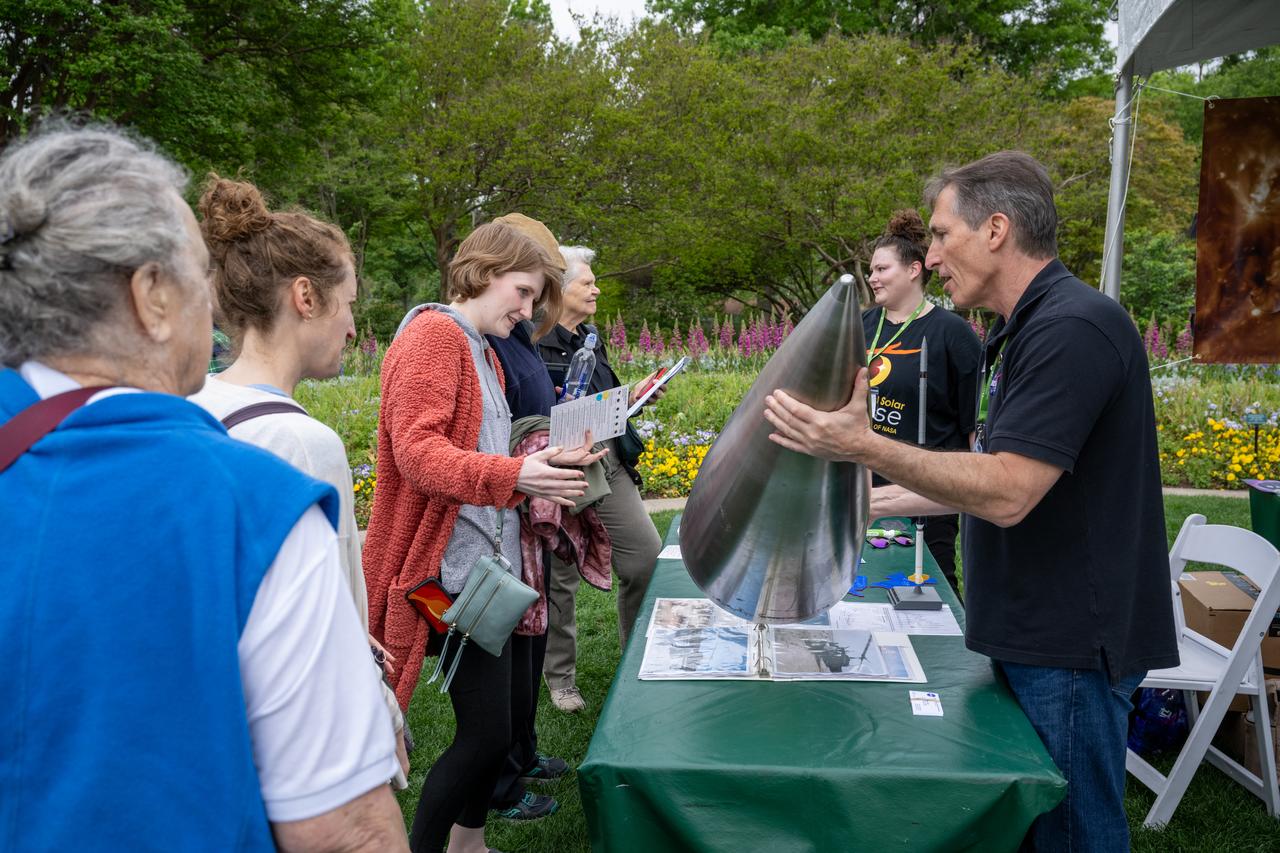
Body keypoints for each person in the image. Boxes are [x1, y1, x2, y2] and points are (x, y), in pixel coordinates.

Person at [0, 123, 407, 850]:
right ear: (152, 295)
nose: (215, 307)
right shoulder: (251, 506)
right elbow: (348, 835)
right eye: (197, 274)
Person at [763, 150, 1178, 852]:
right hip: (1034, 630)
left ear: (995, 230)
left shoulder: (1072, 327)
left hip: (1068, 643)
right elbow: (985, 472)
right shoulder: (1028, 326)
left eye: (939, 235)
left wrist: (864, 447)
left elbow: (1009, 491)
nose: (930, 256)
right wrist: (866, 504)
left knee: (1070, 834)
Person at [362, 222, 590, 853]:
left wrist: (540, 466)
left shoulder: (482, 348)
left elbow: (480, 456)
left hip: (486, 571)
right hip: (447, 576)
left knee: (503, 725)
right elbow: (417, 453)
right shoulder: (434, 336)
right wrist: (516, 474)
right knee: (487, 734)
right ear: (485, 272)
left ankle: (470, 844)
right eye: (523, 291)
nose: (527, 311)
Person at [188, 175, 409, 785]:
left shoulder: (193, 405)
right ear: (306, 296)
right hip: (292, 735)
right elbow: (333, 620)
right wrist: (386, 715)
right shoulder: (305, 443)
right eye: (350, 303)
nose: (353, 328)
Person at [536, 245, 663, 713]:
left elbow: (601, 400)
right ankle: (561, 679)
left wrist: (635, 396)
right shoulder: (533, 341)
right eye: (587, 283)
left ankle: (635, 658)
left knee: (645, 560)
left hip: (606, 459)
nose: (596, 290)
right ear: (559, 288)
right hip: (560, 467)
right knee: (561, 577)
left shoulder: (590, 337)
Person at [862, 209, 981, 597]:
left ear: (914, 270)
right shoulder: (861, 326)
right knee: (867, 588)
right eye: (871, 270)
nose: (872, 277)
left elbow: (972, 428)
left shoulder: (953, 334)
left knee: (930, 590)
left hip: (928, 495)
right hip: (864, 489)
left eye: (882, 269)